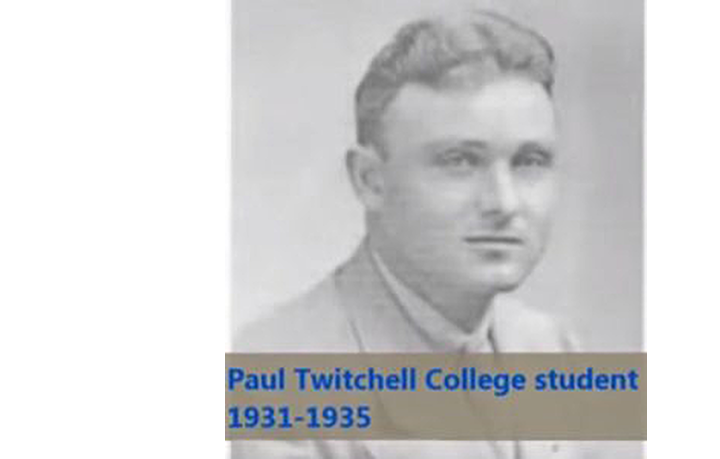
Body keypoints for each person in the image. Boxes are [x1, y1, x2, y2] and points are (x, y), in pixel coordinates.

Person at [234, 9, 586, 458]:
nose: (504, 202)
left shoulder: (551, 348)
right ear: (371, 181)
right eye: (460, 161)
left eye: (529, 161)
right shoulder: (275, 375)